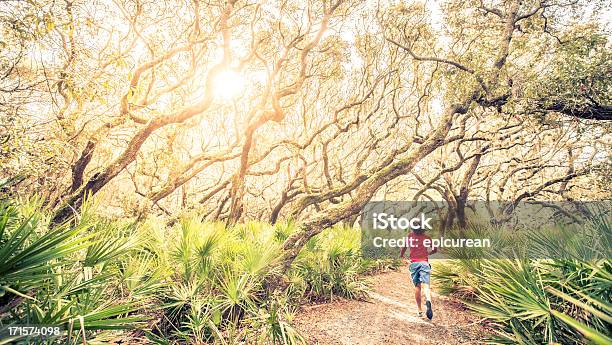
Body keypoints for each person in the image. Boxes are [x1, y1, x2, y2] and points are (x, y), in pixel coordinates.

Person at [399, 227, 437, 320]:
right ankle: (428, 300)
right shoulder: (427, 238)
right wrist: (429, 253)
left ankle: (420, 310)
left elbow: (403, 249)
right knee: (426, 285)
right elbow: (435, 249)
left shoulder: (410, 236)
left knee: (417, 286)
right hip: (424, 263)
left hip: (414, 263)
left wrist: (403, 256)